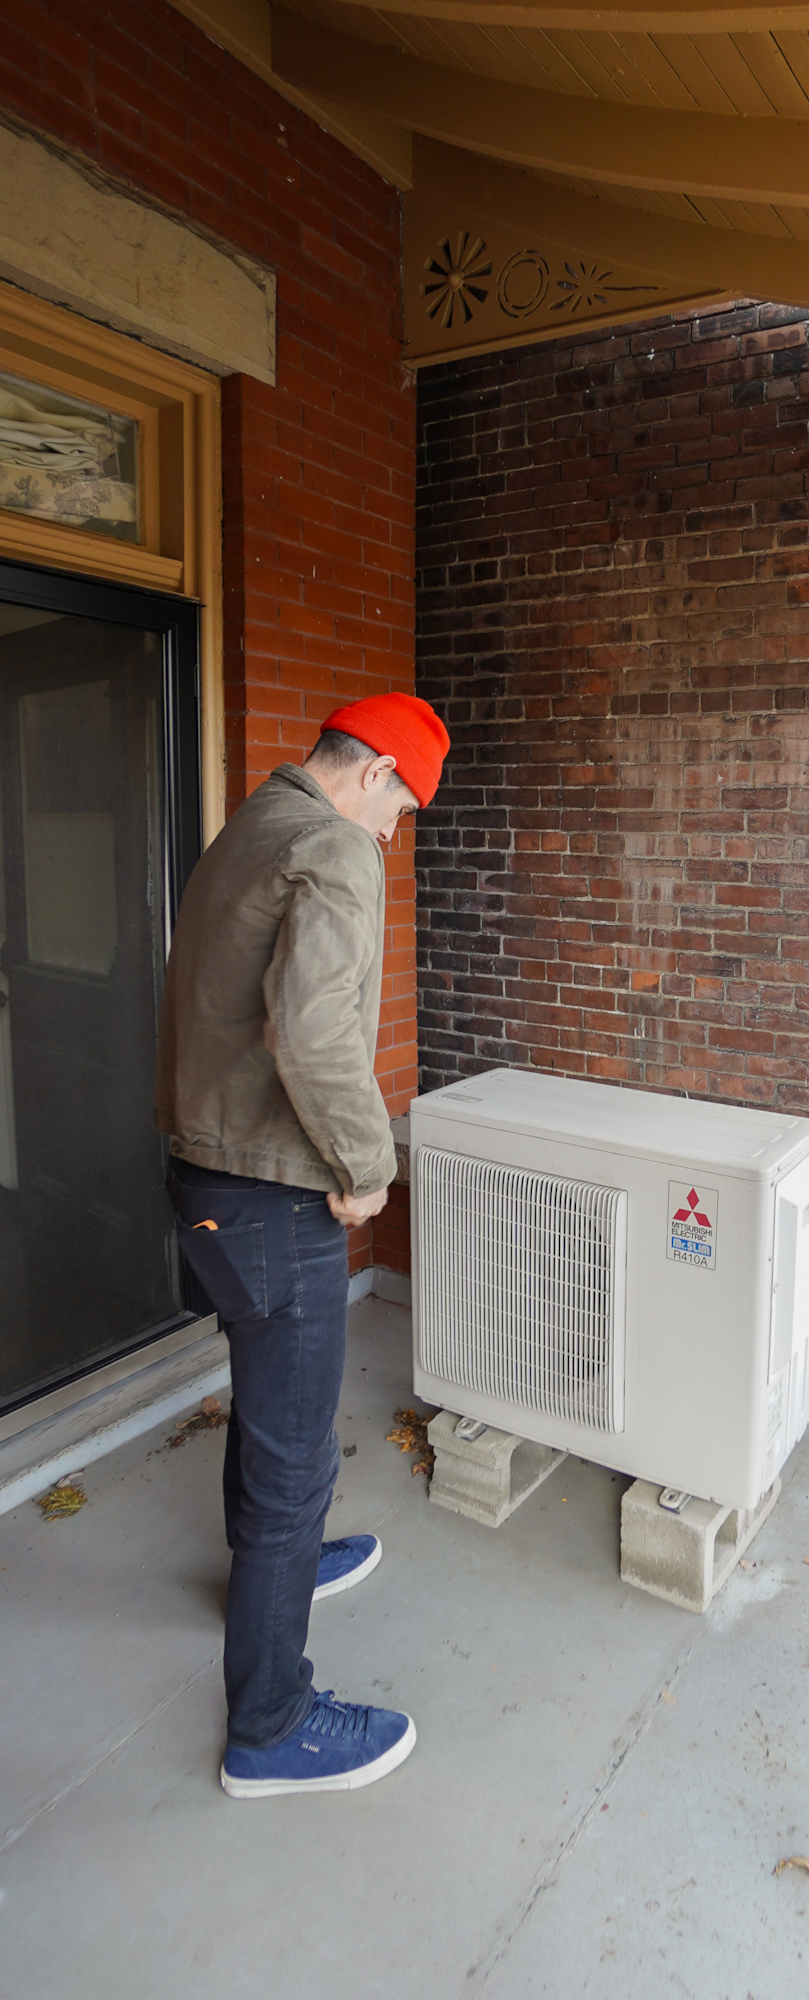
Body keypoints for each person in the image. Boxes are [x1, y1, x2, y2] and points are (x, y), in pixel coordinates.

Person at [154, 691, 449, 1799]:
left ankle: (269, 1575)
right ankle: (271, 1726)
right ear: (372, 770)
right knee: (296, 1457)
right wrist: (368, 1167)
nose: (392, 833)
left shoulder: (251, 826)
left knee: (268, 1410)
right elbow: (314, 1032)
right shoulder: (332, 845)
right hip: (273, 1194)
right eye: (403, 808)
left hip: (206, 1175)